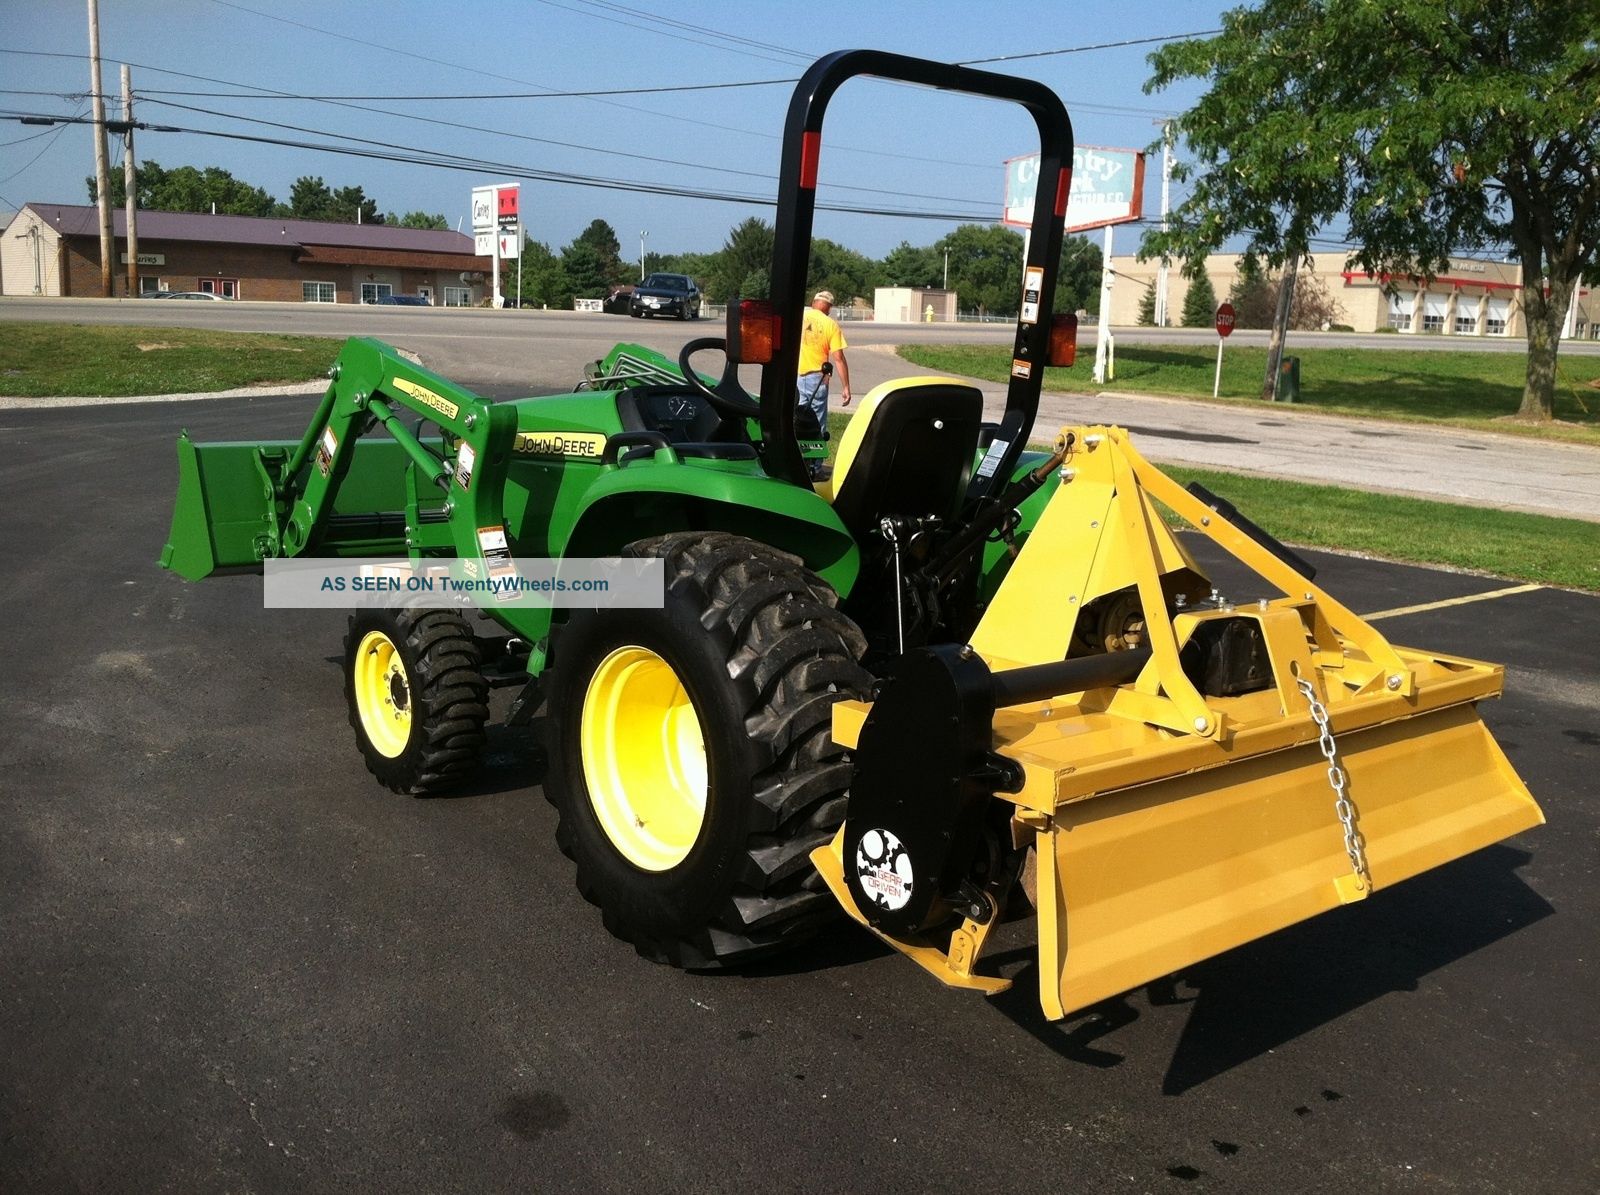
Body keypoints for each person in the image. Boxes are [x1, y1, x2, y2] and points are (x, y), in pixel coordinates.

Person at [797, 290, 851, 446]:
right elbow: (839, 358)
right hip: (817, 379)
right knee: (817, 422)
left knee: (798, 419)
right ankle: (815, 464)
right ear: (829, 308)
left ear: (813, 303)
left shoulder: (799, 319)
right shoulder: (831, 325)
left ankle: (800, 456)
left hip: (797, 377)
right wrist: (846, 387)